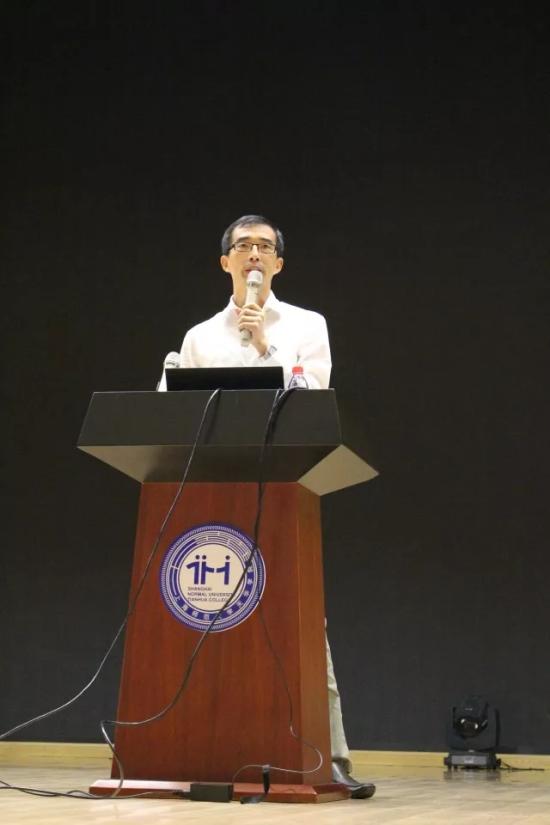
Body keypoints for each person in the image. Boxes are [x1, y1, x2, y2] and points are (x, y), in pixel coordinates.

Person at [159, 214, 375, 799]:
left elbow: (315, 397)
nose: (253, 255)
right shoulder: (199, 337)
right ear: (225, 262)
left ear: (278, 263)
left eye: (264, 247)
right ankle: (199, 748)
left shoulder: (307, 324)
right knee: (206, 618)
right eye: (243, 246)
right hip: (210, 498)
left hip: (284, 490)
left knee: (299, 621)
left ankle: (329, 757)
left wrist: (264, 346)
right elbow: (174, 413)